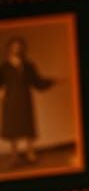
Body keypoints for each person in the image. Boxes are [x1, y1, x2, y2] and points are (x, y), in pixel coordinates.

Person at [0, 36, 58, 167]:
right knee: (12, 128)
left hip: (25, 99)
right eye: (14, 47)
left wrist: (52, 81)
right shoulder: (3, 67)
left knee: (28, 127)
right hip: (10, 101)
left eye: (19, 47)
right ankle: (14, 156)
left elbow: (37, 82)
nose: (17, 49)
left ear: (22, 49)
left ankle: (30, 153)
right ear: (9, 49)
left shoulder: (29, 66)